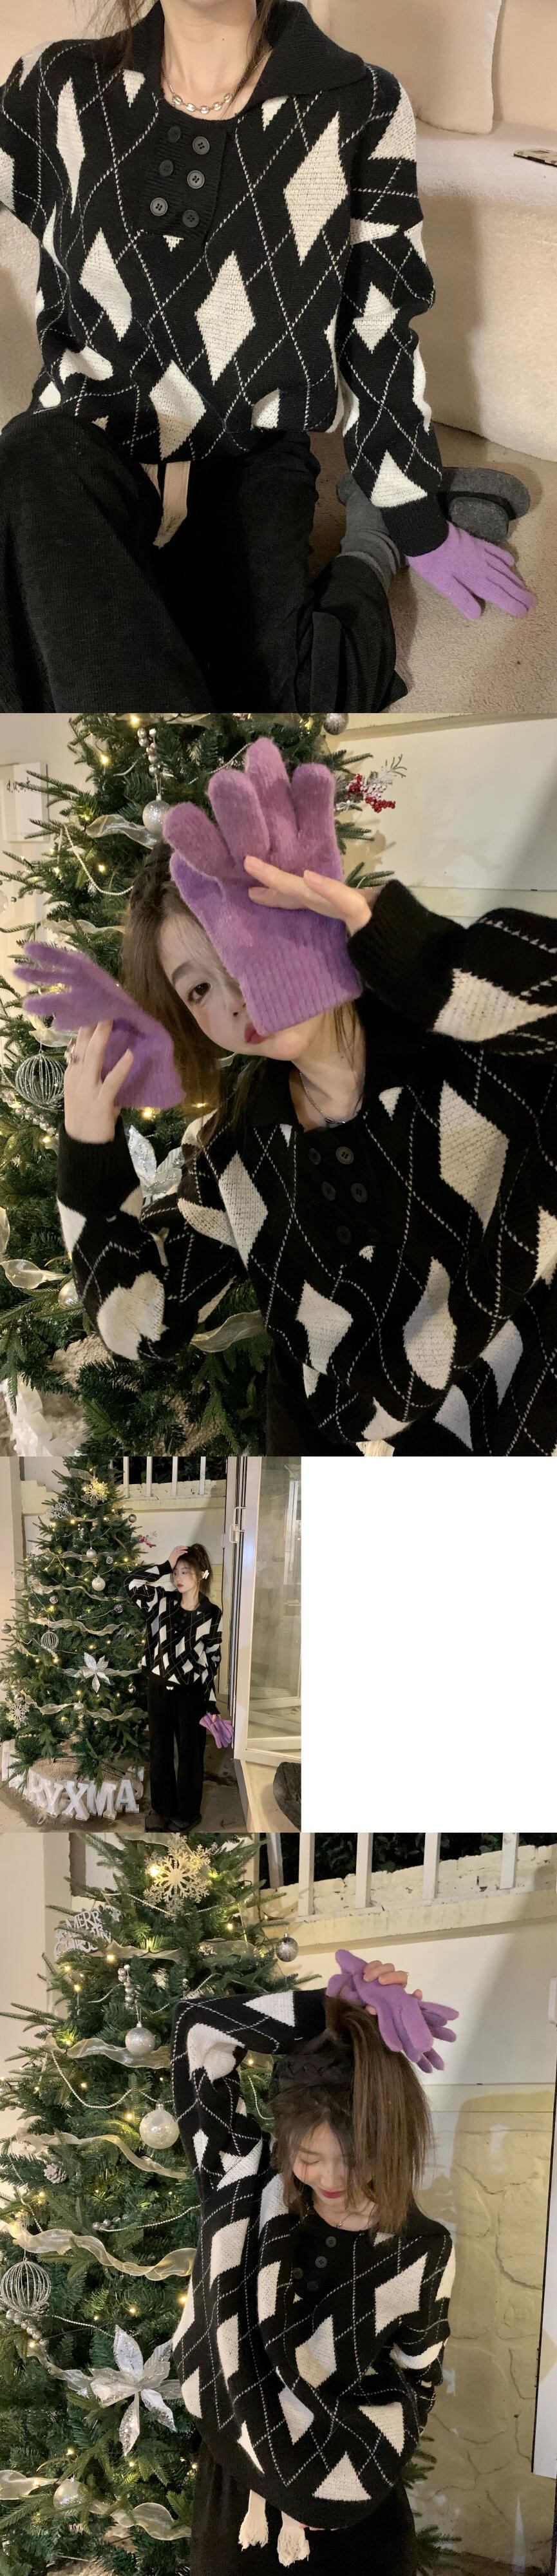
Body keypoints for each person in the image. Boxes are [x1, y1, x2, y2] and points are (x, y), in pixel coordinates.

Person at [0, 0, 533, 714]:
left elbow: (378, 325)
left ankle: (367, 538)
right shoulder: (54, 84)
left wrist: (413, 518)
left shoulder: (362, 102)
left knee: (281, 705)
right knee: (33, 495)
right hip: (81, 449)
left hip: (247, 457)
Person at [30, 735, 557, 1458]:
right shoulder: (229, 1154)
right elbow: (143, 1327)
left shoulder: (475, 1045)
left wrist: (400, 944)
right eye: (199, 988)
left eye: (244, 941)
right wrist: (88, 1158)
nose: (237, 993)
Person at [170, 1951, 457, 2571]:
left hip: (355, 2492)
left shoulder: (419, 2247)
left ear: (391, 2142)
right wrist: (331, 2013)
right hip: (240, 2491)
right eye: (306, 2155)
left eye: (354, 2159)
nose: (329, 2179)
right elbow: (198, 2029)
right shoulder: (243, 2188)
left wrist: (362, 2466)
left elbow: (419, 2376)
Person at [127, 1539, 222, 1827]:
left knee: (191, 1753)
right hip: (158, 1689)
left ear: (201, 1575)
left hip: (190, 1693)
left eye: (185, 1572)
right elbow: (130, 1583)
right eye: (176, 1572)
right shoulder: (161, 1602)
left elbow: (212, 1659)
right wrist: (164, 1565)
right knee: (160, 1750)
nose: (178, 1578)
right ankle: (162, 1809)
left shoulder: (211, 1613)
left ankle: (188, 1813)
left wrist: (211, 1703)